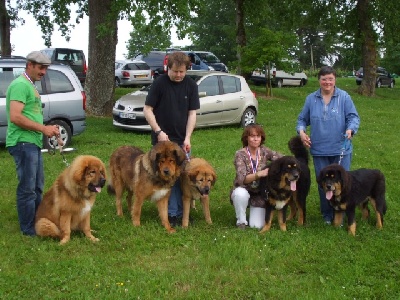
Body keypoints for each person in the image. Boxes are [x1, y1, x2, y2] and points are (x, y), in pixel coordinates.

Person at [6, 51, 61, 236]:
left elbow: (29, 115)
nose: (44, 72)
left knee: (37, 186)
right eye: (40, 68)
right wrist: (43, 129)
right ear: (29, 65)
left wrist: (48, 129)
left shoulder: (30, 86)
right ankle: (28, 229)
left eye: (46, 68)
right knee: (28, 188)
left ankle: (38, 220)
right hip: (22, 143)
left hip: (32, 142)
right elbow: (15, 117)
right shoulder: (21, 85)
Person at [296, 66, 360, 224]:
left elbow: (353, 117)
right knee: (323, 184)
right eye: (324, 79)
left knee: (343, 182)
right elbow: (302, 120)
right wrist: (302, 132)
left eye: (330, 79)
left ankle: (341, 212)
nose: (327, 82)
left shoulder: (344, 97)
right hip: (319, 150)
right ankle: (327, 215)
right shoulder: (311, 99)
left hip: (341, 149)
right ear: (319, 80)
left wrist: (351, 129)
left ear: (335, 80)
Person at [143, 51, 200, 227]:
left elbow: (192, 113)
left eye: (182, 72)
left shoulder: (191, 86)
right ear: (169, 67)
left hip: (181, 140)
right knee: (167, 175)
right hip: (162, 140)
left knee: (182, 176)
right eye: (175, 71)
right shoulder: (159, 83)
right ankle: (172, 213)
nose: (178, 75)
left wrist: (188, 137)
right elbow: (147, 109)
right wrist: (158, 131)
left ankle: (183, 212)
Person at [230, 124, 283, 230]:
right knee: (240, 194)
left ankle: (254, 212)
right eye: (252, 136)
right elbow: (242, 179)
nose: (255, 139)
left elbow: (281, 159)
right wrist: (258, 175)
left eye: (258, 136)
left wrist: (293, 162)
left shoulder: (264, 151)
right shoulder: (240, 154)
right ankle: (241, 221)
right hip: (244, 189)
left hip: (259, 193)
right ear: (246, 138)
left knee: (257, 225)